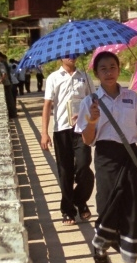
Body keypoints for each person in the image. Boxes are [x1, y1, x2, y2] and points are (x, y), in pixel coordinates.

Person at [75, 51, 137, 263]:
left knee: (133, 211)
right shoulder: (90, 102)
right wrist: (92, 121)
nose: (109, 72)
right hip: (105, 158)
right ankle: (100, 246)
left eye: (113, 67)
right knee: (107, 207)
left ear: (119, 69)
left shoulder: (131, 98)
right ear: (96, 73)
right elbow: (87, 140)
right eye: (103, 68)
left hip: (130, 157)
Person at [41, 56, 96, 225]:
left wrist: (89, 116)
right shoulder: (53, 77)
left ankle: (80, 200)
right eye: (66, 55)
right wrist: (44, 132)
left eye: (73, 54)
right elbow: (48, 105)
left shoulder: (84, 76)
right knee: (65, 172)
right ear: (60, 58)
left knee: (84, 166)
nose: (70, 57)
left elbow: (94, 100)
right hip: (62, 130)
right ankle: (68, 210)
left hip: (82, 129)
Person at [0, 53, 17, 118]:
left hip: (6, 83)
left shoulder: (2, 64)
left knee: (9, 99)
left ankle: (12, 114)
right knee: (9, 99)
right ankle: (12, 113)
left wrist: (0, 81)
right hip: (8, 82)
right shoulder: (3, 63)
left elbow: (4, 74)